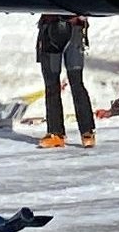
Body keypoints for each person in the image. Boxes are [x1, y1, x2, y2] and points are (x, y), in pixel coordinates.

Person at [34, 11, 99, 148]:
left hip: (74, 28)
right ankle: (55, 132)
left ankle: (87, 130)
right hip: (49, 28)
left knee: (76, 82)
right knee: (51, 84)